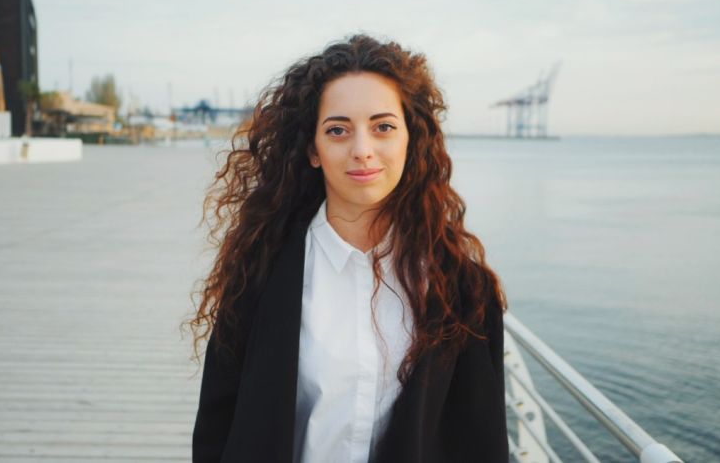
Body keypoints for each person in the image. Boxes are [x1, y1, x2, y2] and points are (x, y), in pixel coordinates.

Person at [187, 34, 508, 463]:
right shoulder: (260, 273)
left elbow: (483, 440)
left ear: (410, 140)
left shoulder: (463, 289)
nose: (362, 150)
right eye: (338, 130)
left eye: (383, 127)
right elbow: (217, 428)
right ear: (312, 150)